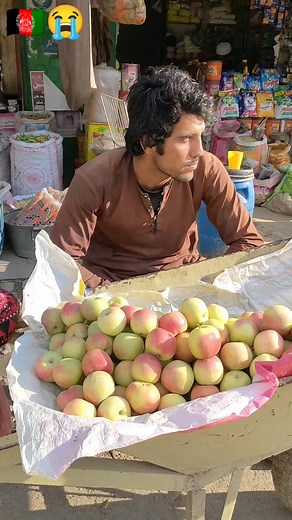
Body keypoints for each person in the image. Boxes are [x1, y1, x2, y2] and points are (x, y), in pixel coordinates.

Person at [51, 66, 264, 289]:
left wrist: (209, 284)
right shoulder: (93, 179)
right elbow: (62, 263)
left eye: (200, 136)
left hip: (185, 284)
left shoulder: (207, 168)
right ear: (148, 142)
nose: (199, 150)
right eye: (186, 139)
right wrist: (115, 297)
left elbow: (248, 242)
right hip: (111, 292)